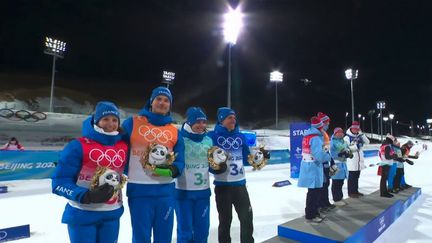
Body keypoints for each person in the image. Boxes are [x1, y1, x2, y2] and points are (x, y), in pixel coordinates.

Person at [52, 101, 128, 243]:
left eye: (114, 120)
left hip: (111, 214)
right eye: (105, 119)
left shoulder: (123, 146)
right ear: (96, 121)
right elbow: (59, 182)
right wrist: (84, 195)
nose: (110, 123)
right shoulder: (78, 146)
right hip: (82, 214)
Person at [122, 86, 185, 243]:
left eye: (166, 100)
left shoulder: (175, 131)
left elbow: (180, 161)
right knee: (141, 237)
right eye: (159, 99)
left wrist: (172, 170)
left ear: (170, 105)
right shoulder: (132, 123)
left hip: (165, 192)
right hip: (139, 191)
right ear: (151, 101)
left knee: (164, 238)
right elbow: (118, 150)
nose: (162, 103)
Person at [175, 107, 227, 243]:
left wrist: (218, 168)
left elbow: (211, 164)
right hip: (183, 193)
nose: (201, 125)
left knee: (202, 230)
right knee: (185, 231)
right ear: (190, 122)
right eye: (198, 122)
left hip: (203, 193)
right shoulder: (180, 139)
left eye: (204, 122)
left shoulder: (208, 140)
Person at [207, 107, 254, 243]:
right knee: (225, 221)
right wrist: (216, 169)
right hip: (223, 187)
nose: (233, 120)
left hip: (240, 185)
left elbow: (247, 158)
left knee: (247, 218)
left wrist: (258, 158)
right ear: (221, 120)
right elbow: (208, 162)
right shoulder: (212, 137)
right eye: (229, 118)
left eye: (234, 117)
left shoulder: (240, 136)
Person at [298, 116, 331, 223]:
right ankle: (311, 214)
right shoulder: (316, 138)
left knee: (313, 191)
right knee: (314, 192)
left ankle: (314, 212)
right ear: (320, 127)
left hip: (308, 166)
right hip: (314, 167)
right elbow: (319, 156)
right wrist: (327, 155)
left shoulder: (307, 136)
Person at [344, 121, 370, 198]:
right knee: (352, 177)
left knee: (356, 177)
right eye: (354, 128)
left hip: (359, 160)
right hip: (352, 160)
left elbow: (368, 142)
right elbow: (346, 149)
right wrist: (356, 146)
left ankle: (355, 191)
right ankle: (351, 192)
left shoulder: (359, 135)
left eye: (357, 128)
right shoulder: (347, 137)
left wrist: (361, 134)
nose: (356, 130)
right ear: (351, 128)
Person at [317, 112, 336, 212]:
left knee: (327, 183)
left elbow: (327, 151)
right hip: (320, 164)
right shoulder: (318, 135)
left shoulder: (324, 135)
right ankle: (320, 204)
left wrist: (331, 162)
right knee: (322, 185)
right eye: (326, 123)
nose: (328, 125)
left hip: (326, 164)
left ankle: (325, 202)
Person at [330, 127, 353, 206]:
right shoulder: (332, 142)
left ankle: (340, 197)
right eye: (338, 132)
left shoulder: (344, 142)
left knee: (341, 182)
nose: (340, 134)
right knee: (336, 182)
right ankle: (336, 199)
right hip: (336, 164)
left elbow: (348, 149)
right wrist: (340, 154)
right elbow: (331, 153)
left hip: (343, 164)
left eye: (341, 132)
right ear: (335, 134)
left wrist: (349, 154)